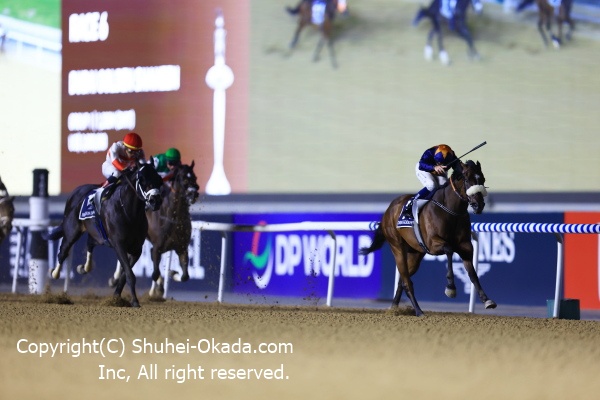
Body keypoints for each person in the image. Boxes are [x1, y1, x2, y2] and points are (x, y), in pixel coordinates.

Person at [401, 144, 458, 221]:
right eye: (439, 162)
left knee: (444, 186)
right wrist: (434, 167)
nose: (441, 165)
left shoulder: (451, 155)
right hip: (425, 169)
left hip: (439, 171)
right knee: (432, 185)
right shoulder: (429, 152)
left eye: (443, 163)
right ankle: (411, 203)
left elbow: (457, 166)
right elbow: (422, 165)